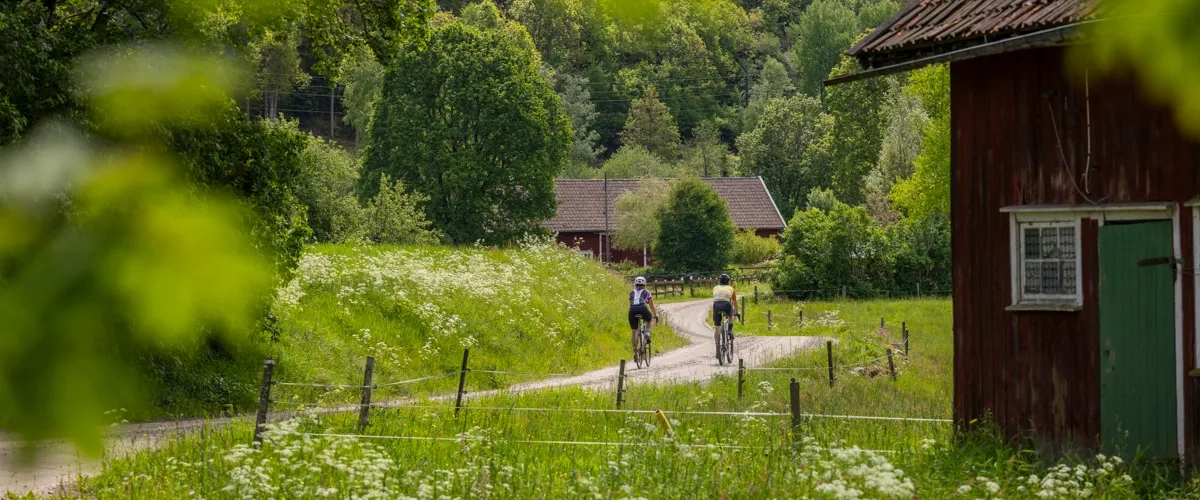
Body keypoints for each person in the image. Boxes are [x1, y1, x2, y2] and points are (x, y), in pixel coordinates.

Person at [628, 276, 658, 349]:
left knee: (634, 332)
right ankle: (647, 332)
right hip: (642, 308)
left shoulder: (631, 293)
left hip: (632, 310)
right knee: (650, 319)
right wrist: (655, 314)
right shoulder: (647, 292)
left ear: (635, 284)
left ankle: (635, 351)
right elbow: (651, 305)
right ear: (644, 284)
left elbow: (631, 303)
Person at [712, 273, 738, 352]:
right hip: (726, 304)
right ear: (728, 281)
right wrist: (736, 312)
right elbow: (734, 302)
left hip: (716, 305)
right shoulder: (731, 288)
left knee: (717, 329)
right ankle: (730, 329)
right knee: (731, 316)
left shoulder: (715, 287)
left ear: (720, 281)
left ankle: (717, 348)